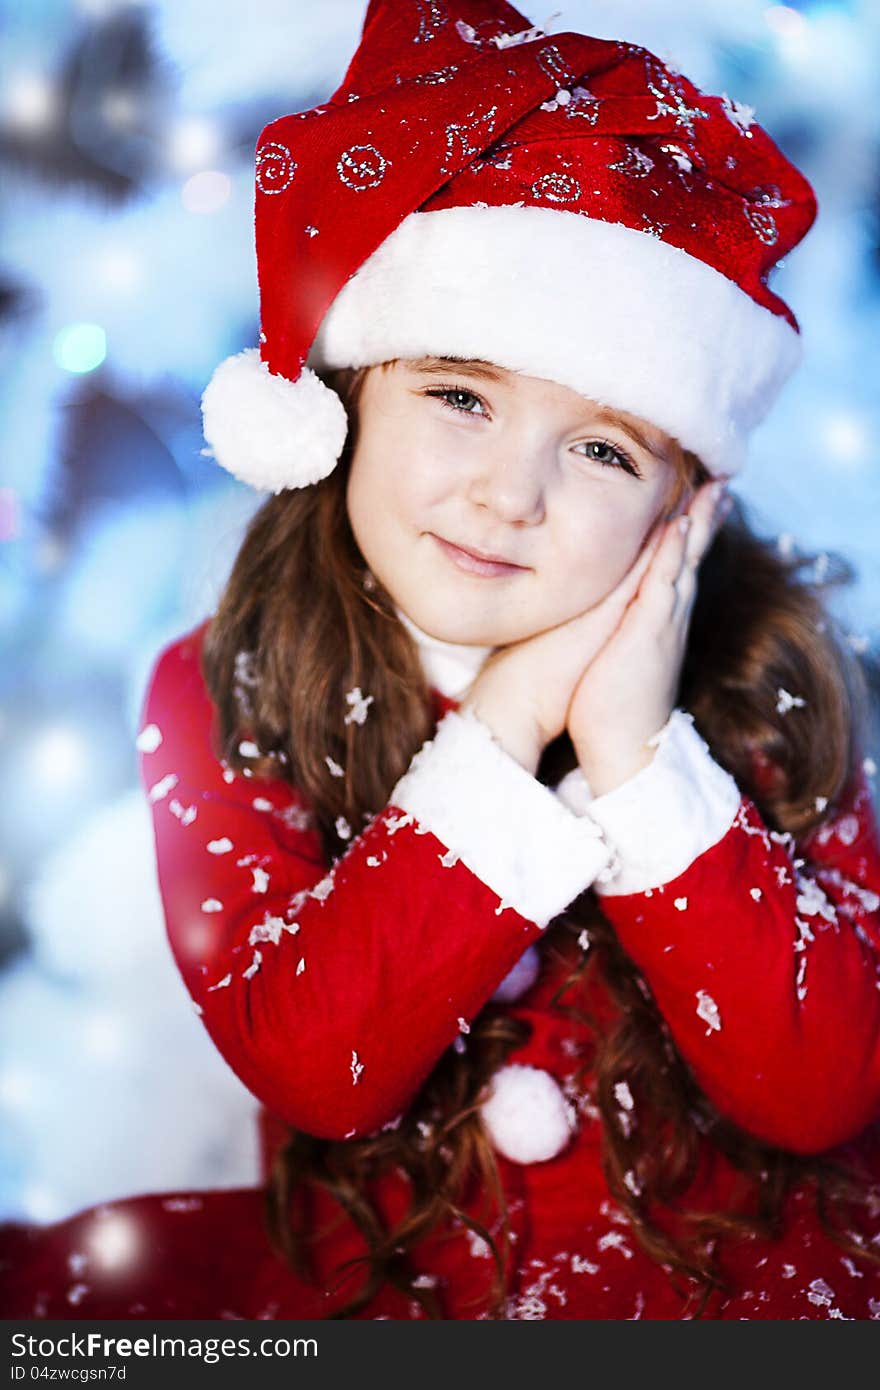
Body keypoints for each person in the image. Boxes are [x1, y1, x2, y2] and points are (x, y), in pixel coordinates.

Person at [2, 0, 880, 1321]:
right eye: (460, 396)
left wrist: (642, 760)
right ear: (349, 398)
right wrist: (518, 714)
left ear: (684, 502)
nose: (507, 491)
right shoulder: (225, 688)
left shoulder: (774, 677)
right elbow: (318, 1064)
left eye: (602, 448)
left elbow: (824, 1088)